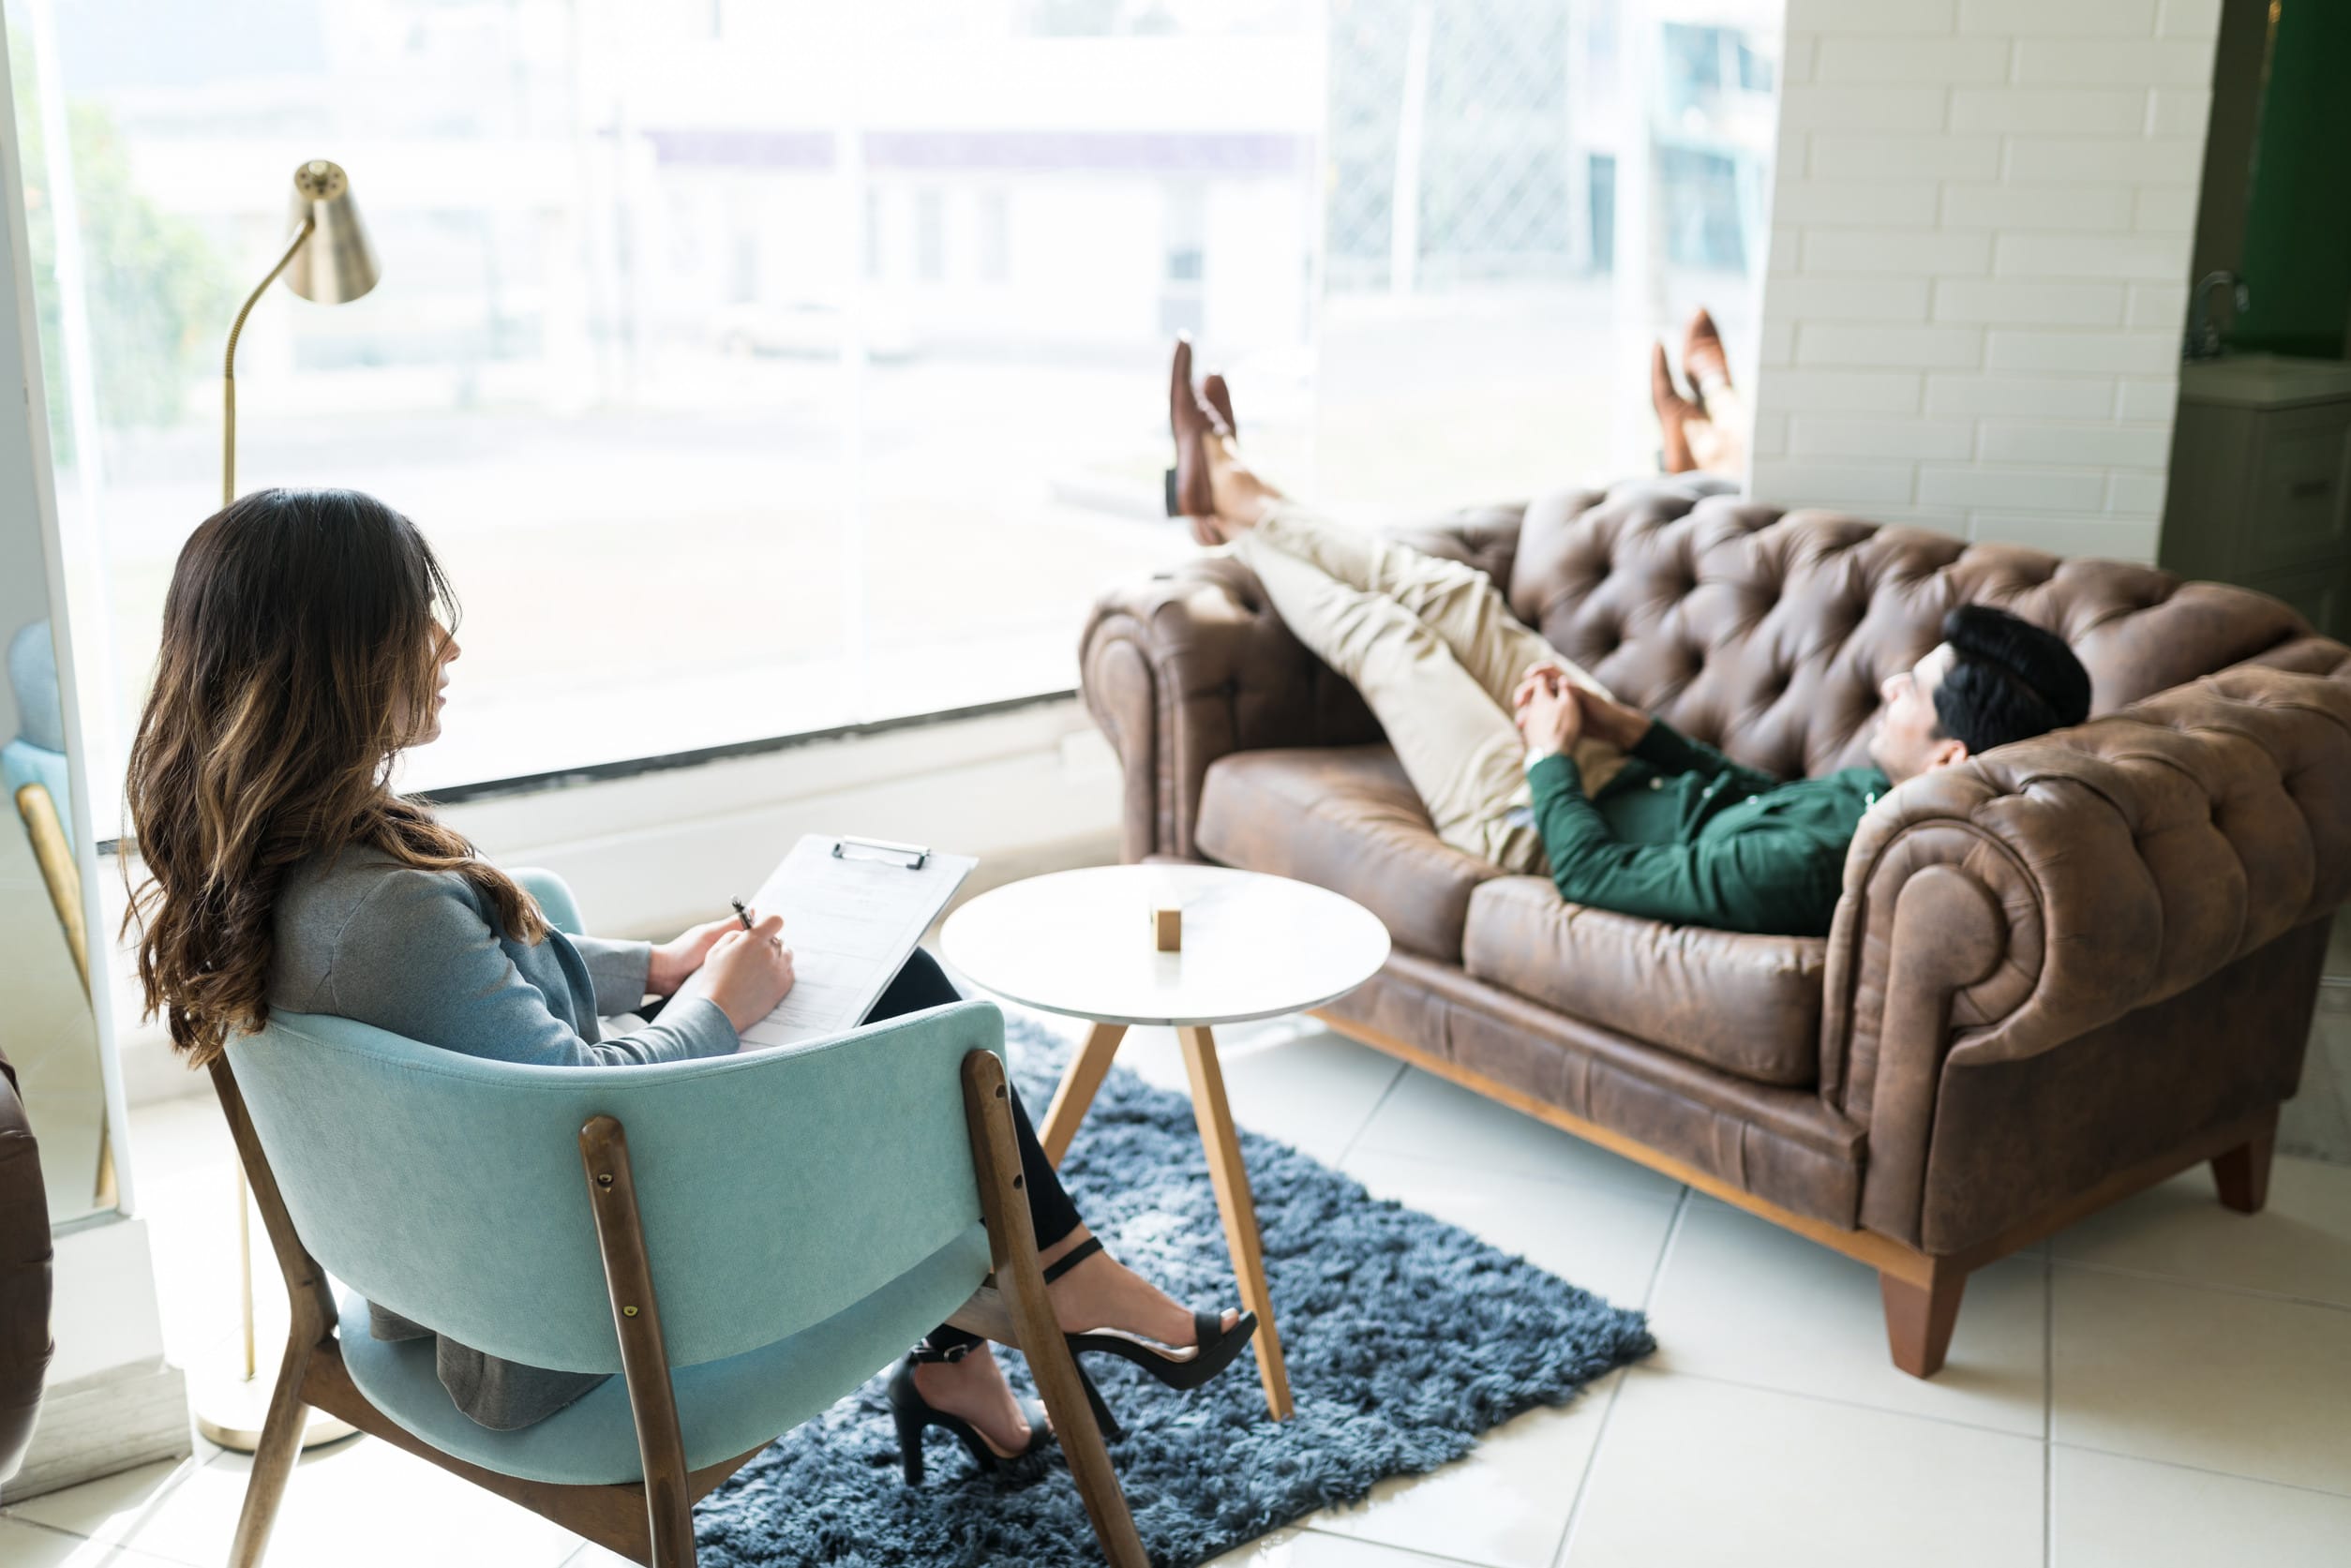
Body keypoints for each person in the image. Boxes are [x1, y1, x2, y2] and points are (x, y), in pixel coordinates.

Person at [125, 487, 1254, 1481]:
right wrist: (722, 1003)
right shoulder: (385, 909)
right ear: (333, 657)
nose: (445, 648)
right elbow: (583, 1102)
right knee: (929, 1032)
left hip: (479, 1276)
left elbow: (467, 991)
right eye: (411, 620)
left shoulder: (274, 867)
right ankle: (1055, 1283)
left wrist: (661, 967)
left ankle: (978, 1351)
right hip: (572, 1323)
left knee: (879, 999)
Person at [1164, 342, 2091, 939]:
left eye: (1911, 693)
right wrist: (1627, 725)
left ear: (1953, 752)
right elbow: (1749, 793)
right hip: (1611, 770)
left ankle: (1235, 510)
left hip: (1529, 821)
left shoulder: (1815, 864)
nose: (1888, 681)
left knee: (1392, 642)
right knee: (1454, 594)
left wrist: (1550, 760)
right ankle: (1240, 493)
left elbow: (1595, 876)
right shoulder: (1876, 799)